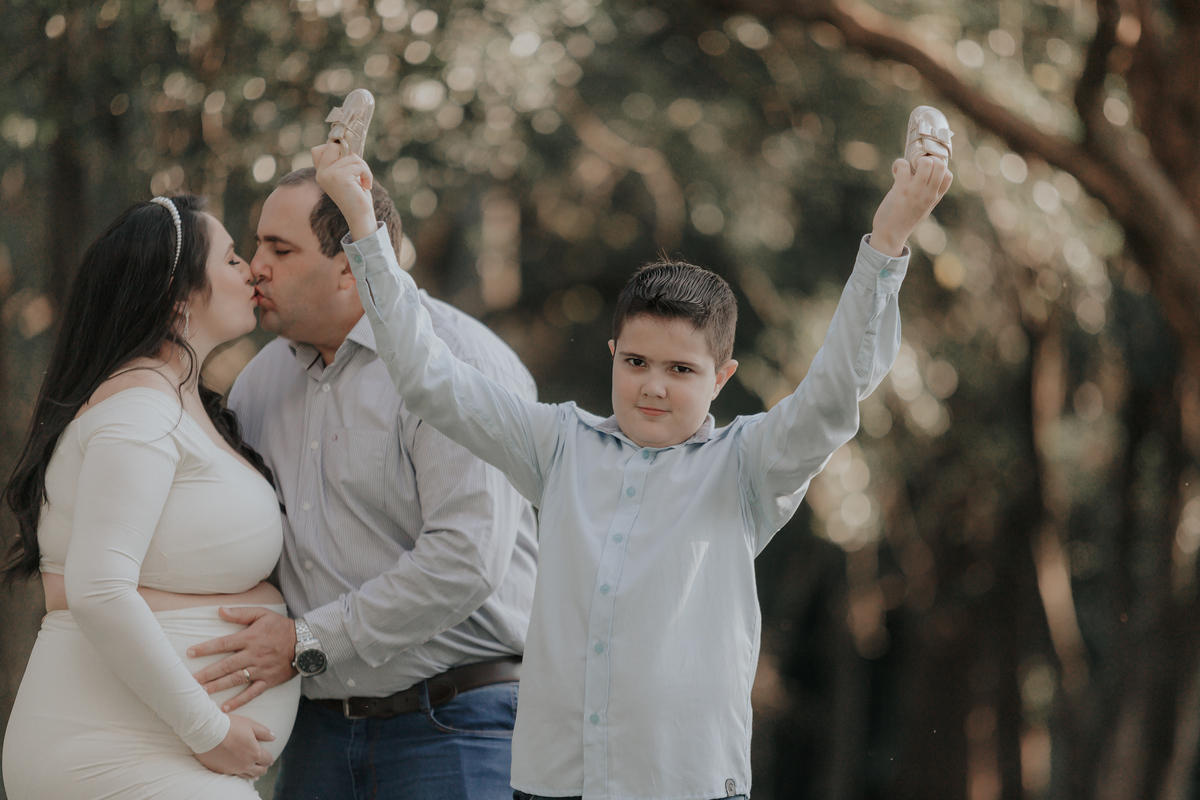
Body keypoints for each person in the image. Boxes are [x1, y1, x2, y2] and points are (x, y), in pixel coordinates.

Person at [310, 141, 953, 800]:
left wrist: (888, 240)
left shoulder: (748, 465)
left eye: (681, 369)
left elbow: (834, 393)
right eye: (637, 362)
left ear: (721, 377)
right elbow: (430, 377)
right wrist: (362, 224)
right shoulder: (558, 444)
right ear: (613, 353)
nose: (653, 386)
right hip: (552, 782)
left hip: (684, 784)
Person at [183, 167, 539, 800]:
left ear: (351, 265)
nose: (256, 267)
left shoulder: (460, 363)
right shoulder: (258, 385)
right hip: (316, 737)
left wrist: (305, 642)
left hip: (456, 726)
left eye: (280, 250)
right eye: (257, 245)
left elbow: (466, 558)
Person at [1, 194, 301, 799]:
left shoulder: (178, 401)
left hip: (152, 747)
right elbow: (98, 589)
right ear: (177, 296)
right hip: (121, 751)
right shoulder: (141, 409)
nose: (251, 270)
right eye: (232, 258)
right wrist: (210, 731)